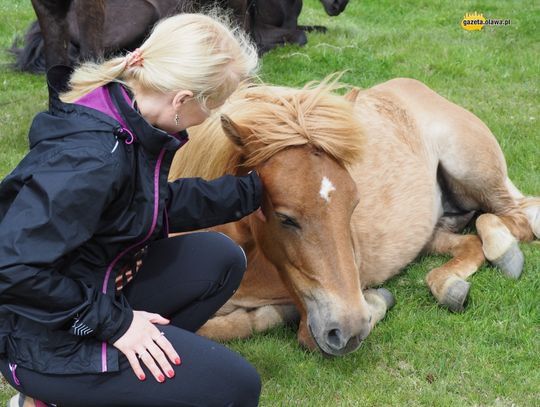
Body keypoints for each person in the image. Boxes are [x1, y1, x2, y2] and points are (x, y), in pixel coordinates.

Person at [0, 12, 264, 407]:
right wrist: (120, 326)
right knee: (237, 389)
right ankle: (49, 394)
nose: (208, 119)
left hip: (91, 286)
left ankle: (121, 378)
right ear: (183, 101)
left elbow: (143, 205)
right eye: (213, 108)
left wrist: (253, 191)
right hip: (41, 339)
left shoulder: (124, 111)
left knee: (221, 259)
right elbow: (12, 267)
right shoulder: (94, 160)